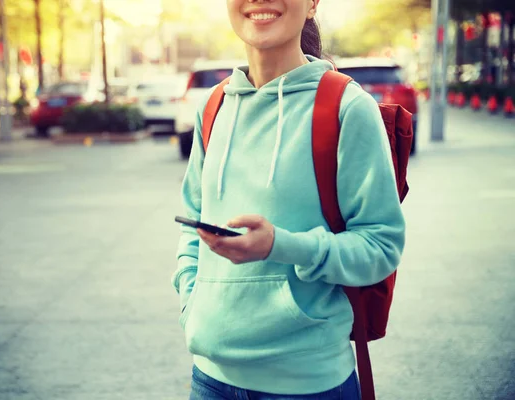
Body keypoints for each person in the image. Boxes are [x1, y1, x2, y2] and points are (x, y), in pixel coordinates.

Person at [172, 1, 406, 399]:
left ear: (313, 3)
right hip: (210, 378)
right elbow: (192, 226)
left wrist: (281, 245)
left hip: (307, 383)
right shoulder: (214, 106)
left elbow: (380, 248)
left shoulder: (347, 108)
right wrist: (192, 306)